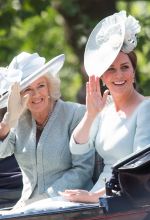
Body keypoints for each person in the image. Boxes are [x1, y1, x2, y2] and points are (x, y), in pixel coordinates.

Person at [60, 11, 150, 203]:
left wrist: (94, 196)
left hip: (126, 200)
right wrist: (91, 114)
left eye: (125, 67)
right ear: (102, 76)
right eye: (111, 69)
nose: (119, 75)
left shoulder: (145, 108)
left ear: (133, 72)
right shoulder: (105, 109)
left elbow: (140, 170)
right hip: (99, 194)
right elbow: (77, 149)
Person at [0, 52, 95, 209]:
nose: (36, 94)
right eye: (27, 89)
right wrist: (8, 121)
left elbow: (83, 170)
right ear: (19, 95)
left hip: (71, 205)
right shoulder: (18, 119)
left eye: (41, 86)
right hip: (26, 206)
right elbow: (2, 152)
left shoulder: (75, 114)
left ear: (50, 86)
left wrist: (44, 199)